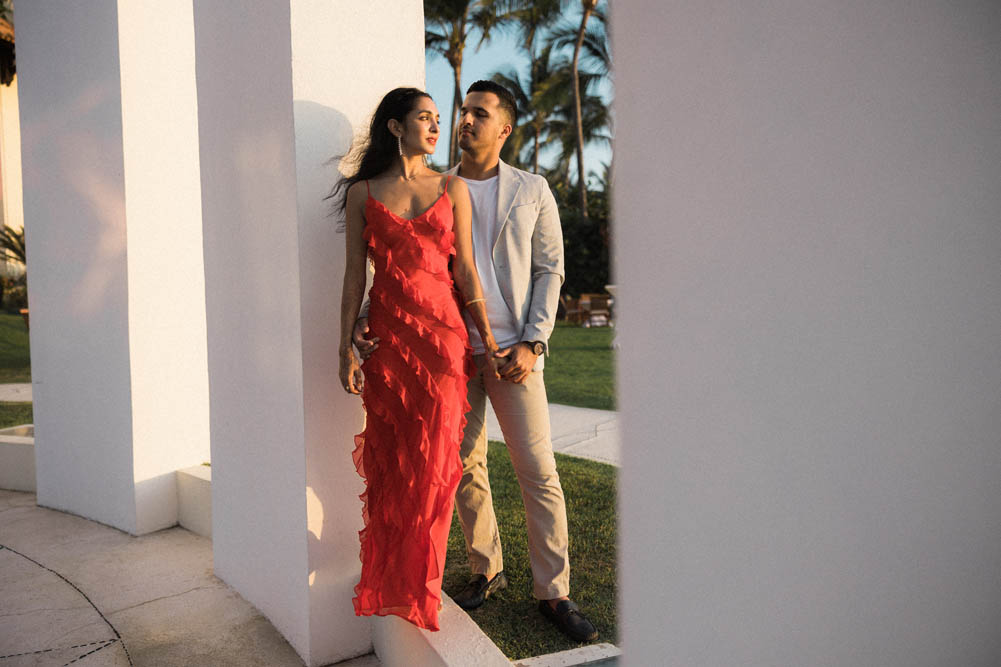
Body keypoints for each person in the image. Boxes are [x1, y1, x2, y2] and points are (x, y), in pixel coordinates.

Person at [354, 81, 597, 642]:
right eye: (463, 111)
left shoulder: (533, 189)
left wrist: (534, 344)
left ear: (504, 128)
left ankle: (554, 592)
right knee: (462, 466)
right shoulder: (437, 185)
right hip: (450, 351)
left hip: (514, 351)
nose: (465, 121)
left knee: (537, 470)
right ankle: (487, 568)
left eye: (478, 114)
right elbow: (412, 265)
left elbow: (549, 270)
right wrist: (370, 313)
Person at [336, 87, 500, 632]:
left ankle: (420, 591)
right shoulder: (363, 193)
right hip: (388, 345)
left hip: (444, 345)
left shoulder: (453, 188)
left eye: (437, 119)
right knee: (395, 468)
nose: (436, 127)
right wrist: (343, 347)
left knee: (435, 471)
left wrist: (488, 341)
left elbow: (467, 273)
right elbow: (354, 277)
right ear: (394, 127)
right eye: (423, 118)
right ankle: (393, 583)